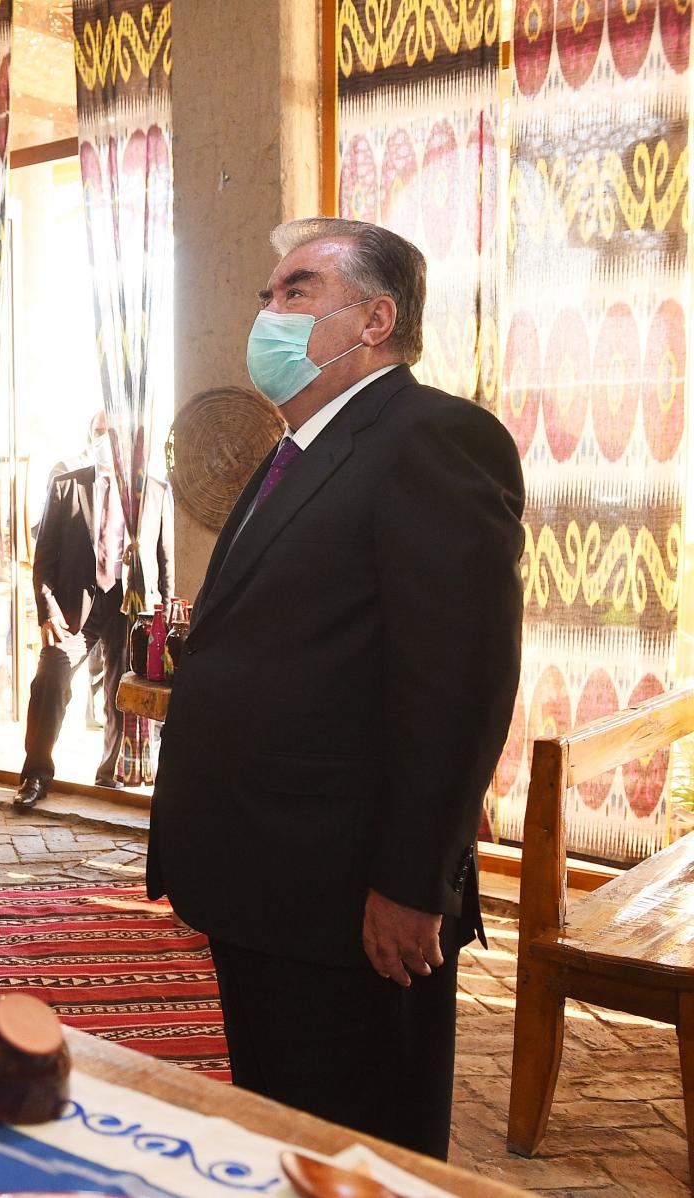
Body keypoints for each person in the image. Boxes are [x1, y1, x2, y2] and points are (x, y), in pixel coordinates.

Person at [146, 218, 523, 1158]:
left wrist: (412, 882)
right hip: (268, 880)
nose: (268, 311)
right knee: (287, 1129)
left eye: (297, 291)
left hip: (351, 895)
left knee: (364, 1151)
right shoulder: (299, 449)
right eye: (267, 294)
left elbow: (456, 684)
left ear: (375, 319)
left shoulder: (433, 438)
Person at [12, 415, 134, 809]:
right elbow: (44, 555)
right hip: (73, 610)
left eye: (114, 432)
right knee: (49, 680)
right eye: (100, 432)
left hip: (127, 605)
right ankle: (35, 775)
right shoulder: (67, 485)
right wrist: (47, 610)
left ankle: (110, 775)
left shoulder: (145, 487)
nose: (106, 439)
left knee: (121, 691)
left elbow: (161, 555)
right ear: (89, 436)